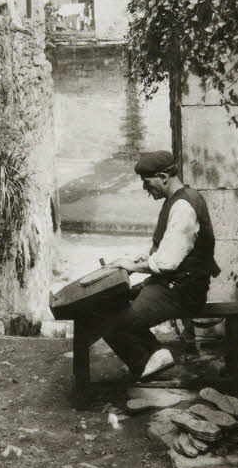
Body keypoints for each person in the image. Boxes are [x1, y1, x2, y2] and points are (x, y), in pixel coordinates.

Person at [91, 150, 220, 381]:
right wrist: (143, 259)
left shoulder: (182, 207)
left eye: (146, 182)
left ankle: (150, 363)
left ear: (163, 176)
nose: (145, 189)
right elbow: (173, 249)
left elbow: (168, 263)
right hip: (173, 284)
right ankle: (154, 357)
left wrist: (131, 266)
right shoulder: (181, 198)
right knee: (110, 303)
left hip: (183, 291)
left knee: (113, 323)